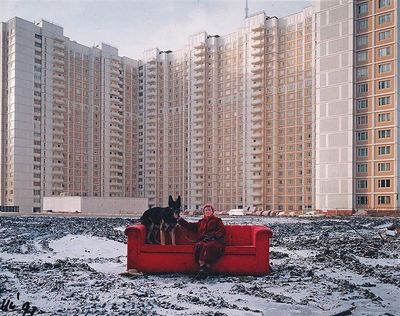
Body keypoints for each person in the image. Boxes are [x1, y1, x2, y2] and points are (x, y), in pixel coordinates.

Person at [178, 203, 226, 279]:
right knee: (199, 245)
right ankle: (203, 268)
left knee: (209, 246)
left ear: (212, 211)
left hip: (215, 241)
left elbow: (222, 230)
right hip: (204, 241)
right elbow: (189, 226)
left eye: (209, 210)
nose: (207, 211)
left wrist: (213, 235)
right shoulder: (201, 222)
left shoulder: (217, 220)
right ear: (203, 212)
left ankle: (205, 269)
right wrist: (179, 219)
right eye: (206, 210)